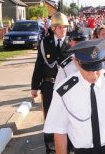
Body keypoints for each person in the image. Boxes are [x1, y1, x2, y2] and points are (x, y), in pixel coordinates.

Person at [43, 39, 105, 154]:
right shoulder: (64, 92)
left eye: (97, 68)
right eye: (88, 69)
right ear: (75, 62)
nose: (94, 75)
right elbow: (60, 132)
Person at [31, 11, 70, 154]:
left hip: (67, 86)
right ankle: (51, 147)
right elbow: (39, 65)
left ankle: (69, 146)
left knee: (68, 115)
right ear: (53, 28)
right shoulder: (44, 42)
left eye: (65, 27)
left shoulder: (72, 42)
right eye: (59, 27)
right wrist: (34, 86)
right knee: (49, 117)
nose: (62, 30)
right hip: (48, 86)